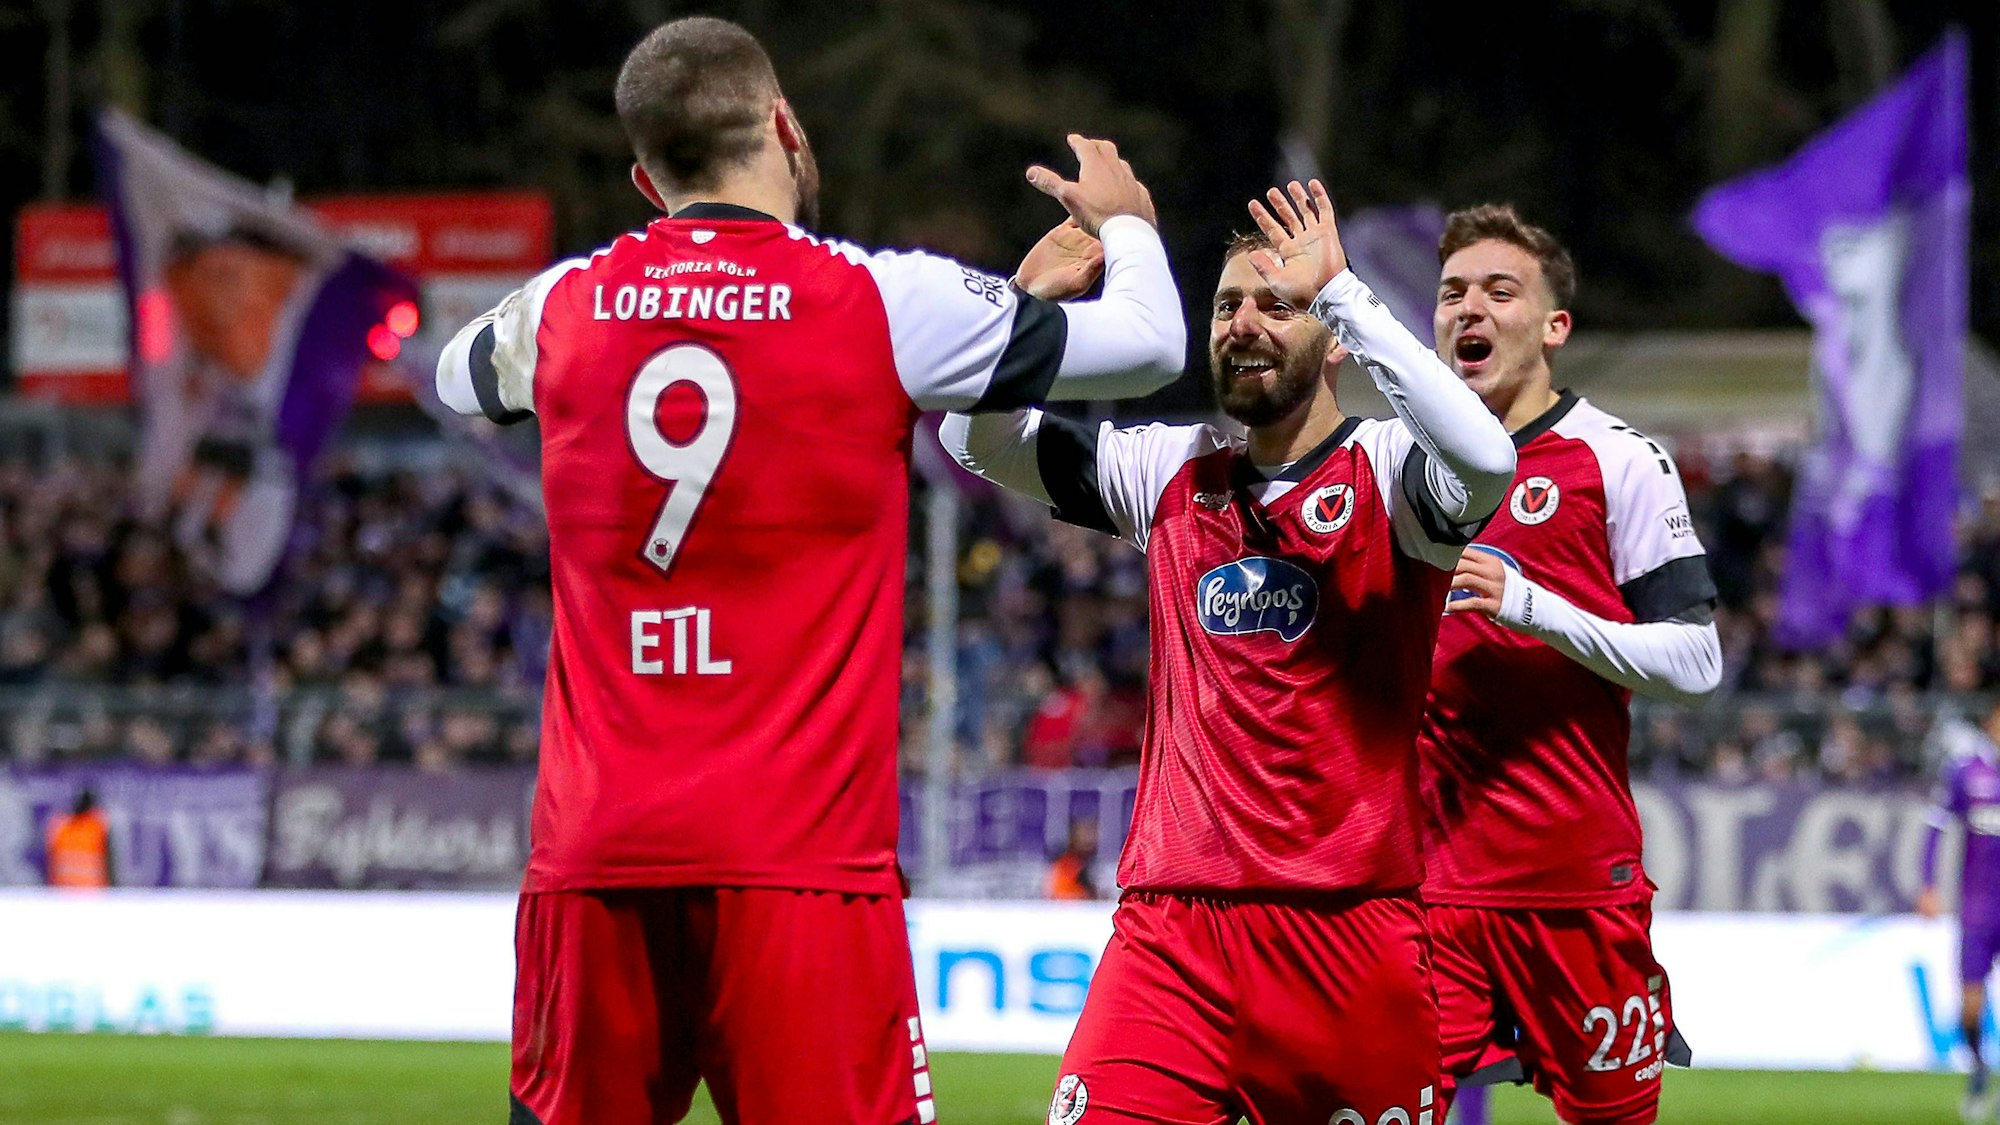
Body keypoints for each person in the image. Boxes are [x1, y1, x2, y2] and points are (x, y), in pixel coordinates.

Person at [433, 17, 1186, 1125]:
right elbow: (1152, 342)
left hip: (592, 859)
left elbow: (459, 376)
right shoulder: (880, 299)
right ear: (783, 124)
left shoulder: (567, 304)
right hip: (800, 865)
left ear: (647, 179)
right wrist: (1124, 228)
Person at [944, 180, 1516, 1125]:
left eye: (1277, 304)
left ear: (1332, 332)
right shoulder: (1169, 469)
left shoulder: (1390, 478)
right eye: (1226, 305)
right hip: (1172, 936)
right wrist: (1025, 309)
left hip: (1349, 941)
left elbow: (1487, 462)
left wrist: (1345, 292)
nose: (1244, 323)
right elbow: (978, 441)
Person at [1417, 205, 1722, 1125]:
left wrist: (1533, 608)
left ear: (1554, 327)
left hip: (1573, 884)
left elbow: (1697, 657)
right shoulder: (1393, 465)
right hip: (1426, 884)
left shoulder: (1617, 459)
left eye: (1499, 291)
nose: (1470, 308)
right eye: (1452, 293)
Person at [1917, 701, 2000, 1124]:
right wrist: (1927, 884)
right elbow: (1934, 827)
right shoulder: (1968, 772)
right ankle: (1980, 1071)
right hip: (1980, 909)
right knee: (1970, 1007)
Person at [45, 788, 113, 889]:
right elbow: (109, 861)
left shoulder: (60, 825)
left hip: (65, 890)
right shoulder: (97, 826)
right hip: (90, 891)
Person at [1046, 817, 1100, 901]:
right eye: (1085, 834)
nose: (1090, 839)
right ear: (1073, 836)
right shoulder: (1066, 862)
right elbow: (1058, 891)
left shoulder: (1087, 862)